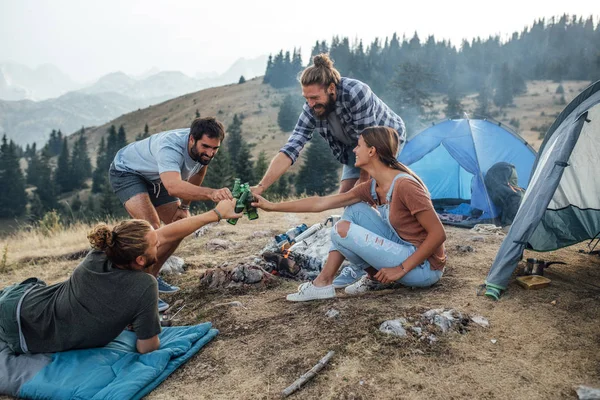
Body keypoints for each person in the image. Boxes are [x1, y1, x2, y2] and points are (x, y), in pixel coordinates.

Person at [0, 200, 241, 355]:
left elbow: (166, 233)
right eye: (155, 246)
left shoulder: (101, 253)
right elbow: (147, 347)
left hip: (23, 303)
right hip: (25, 333)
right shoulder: (144, 286)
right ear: (139, 260)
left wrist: (216, 214)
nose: (160, 245)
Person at [252, 53, 406, 288]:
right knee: (345, 203)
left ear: (332, 88)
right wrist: (261, 187)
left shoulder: (356, 93)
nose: (310, 104)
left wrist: (362, 191)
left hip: (382, 144)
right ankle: (356, 262)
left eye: (314, 97)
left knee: (364, 200)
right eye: (306, 98)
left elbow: (369, 149)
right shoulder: (310, 109)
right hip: (351, 151)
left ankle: (383, 260)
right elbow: (291, 148)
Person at [252, 126, 446, 302]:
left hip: (425, 269)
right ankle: (370, 278)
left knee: (341, 229)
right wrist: (272, 206)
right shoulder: (373, 187)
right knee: (353, 211)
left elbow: (438, 234)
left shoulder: (405, 186)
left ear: (372, 151)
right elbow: (322, 202)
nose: (354, 149)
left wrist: (400, 269)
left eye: (359, 145)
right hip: (403, 249)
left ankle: (322, 283)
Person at [109, 117, 232, 310]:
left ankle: (151, 278)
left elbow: (198, 172)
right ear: (192, 139)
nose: (210, 153)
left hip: (160, 178)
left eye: (215, 149)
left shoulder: (203, 152)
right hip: (128, 172)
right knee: (151, 232)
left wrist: (184, 207)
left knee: (180, 226)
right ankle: (140, 291)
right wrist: (211, 193)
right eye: (206, 147)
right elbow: (173, 186)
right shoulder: (170, 146)